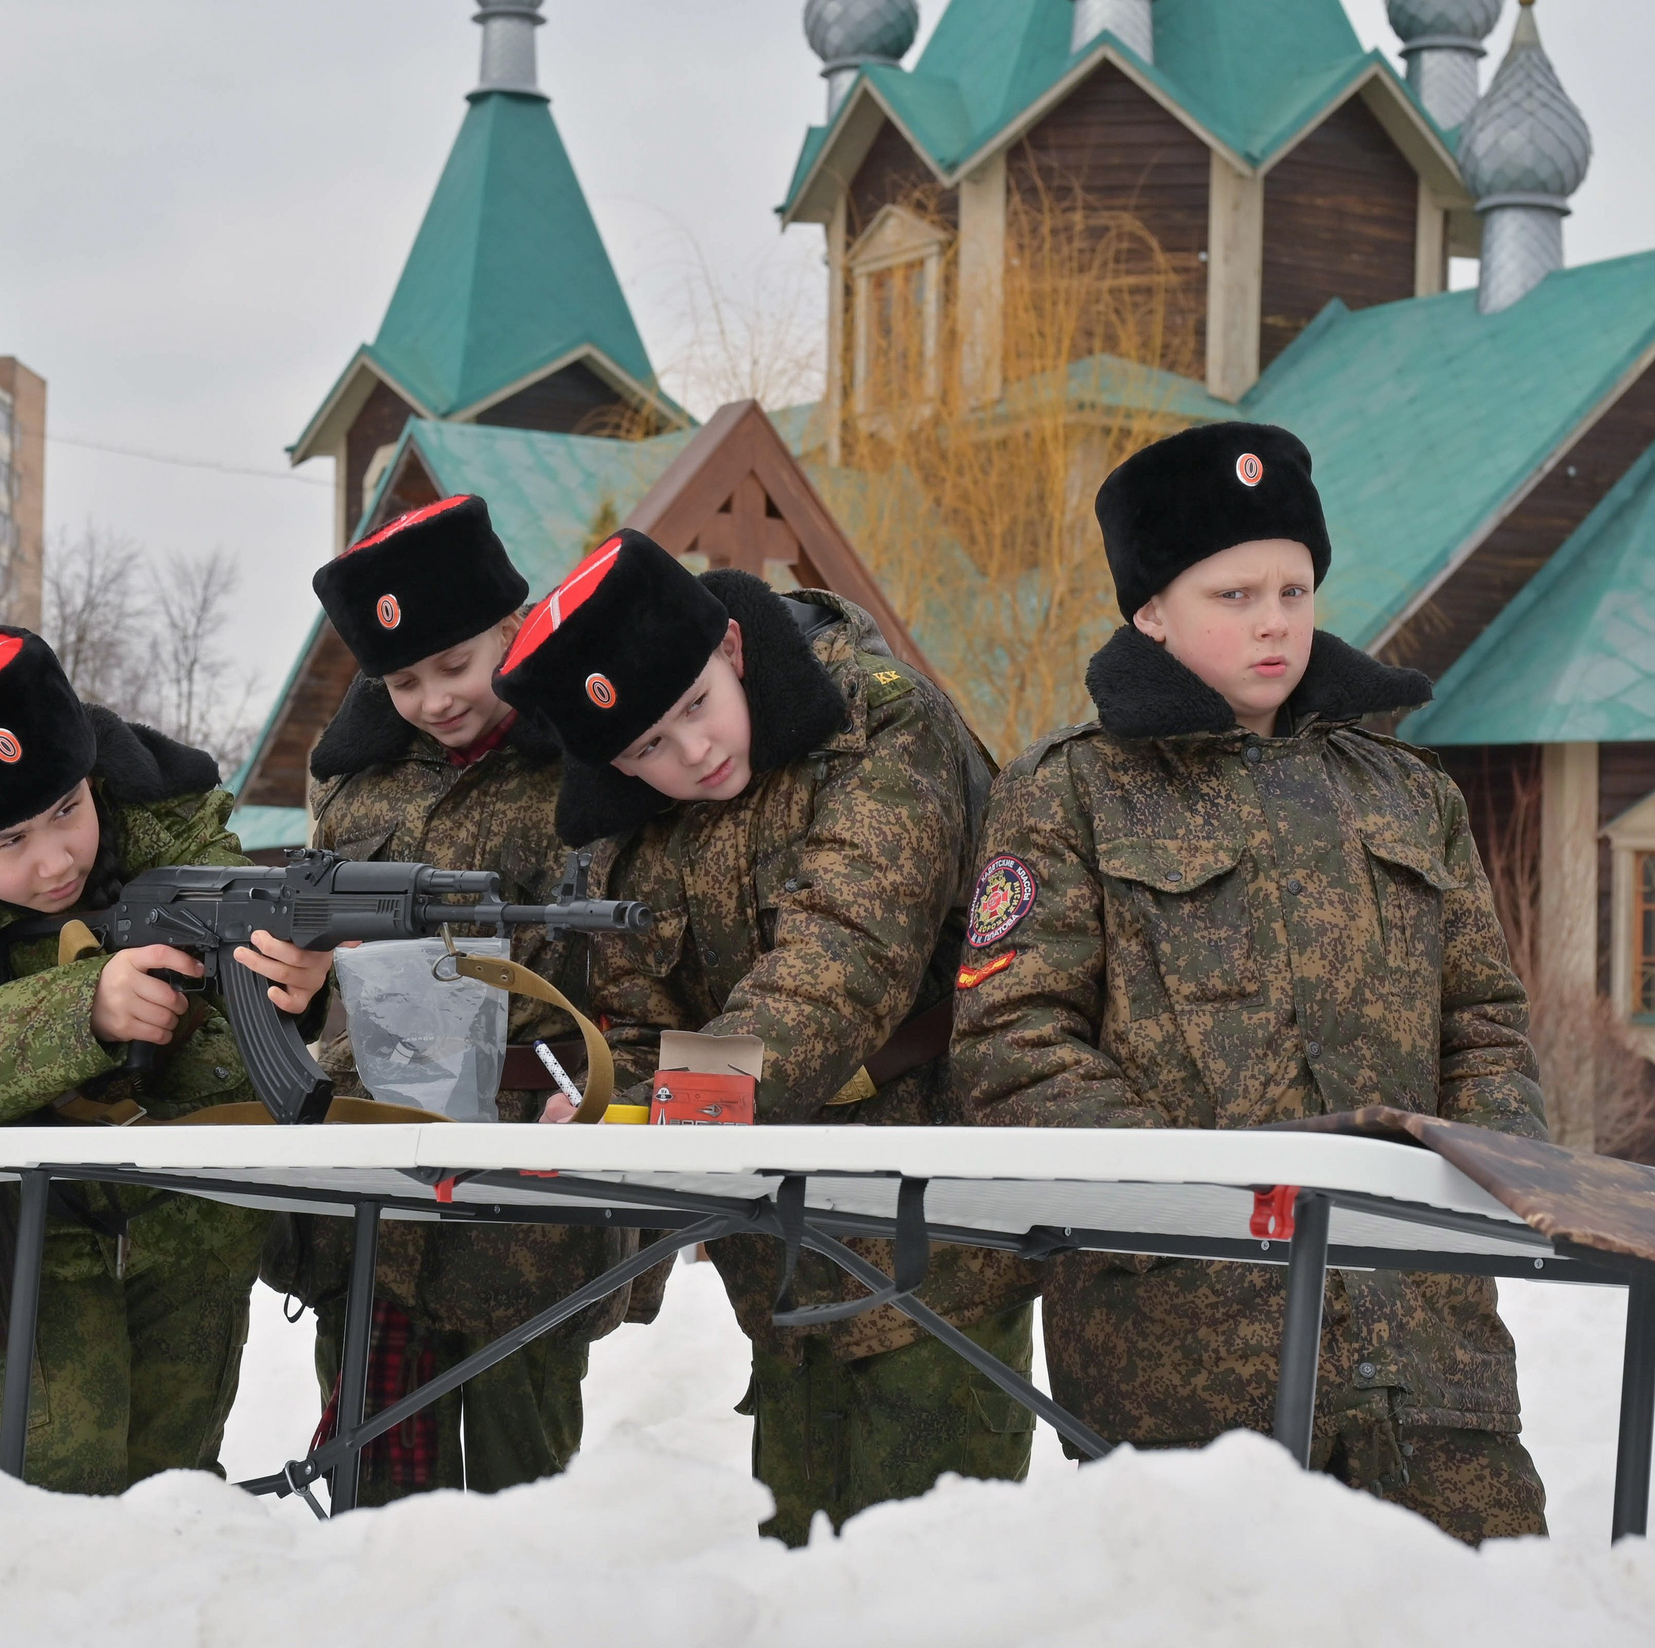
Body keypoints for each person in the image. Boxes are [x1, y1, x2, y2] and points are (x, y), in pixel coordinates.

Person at [951, 421, 1550, 1544]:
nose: (1272, 618)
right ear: (1150, 611)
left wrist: (1478, 1194)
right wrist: (1216, 1197)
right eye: (1231, 593)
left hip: (1427, 1366)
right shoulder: (1068, 795)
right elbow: (1012, 1048)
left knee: (1496, 1614)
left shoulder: (1407, 793)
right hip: (1183, 1371)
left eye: (1292, 586)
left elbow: (1486, 1026)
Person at [494, 529, 1036, 1544]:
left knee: (934, 1582)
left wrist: (658, 1107)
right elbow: (644, 1022)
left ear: (733, 646)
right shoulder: (623, 834)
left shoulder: (877, 722)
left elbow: (838, 968)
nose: (692, 753)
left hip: (938, 1238)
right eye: (648, 744)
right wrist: (606, 1096)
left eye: (695, 704)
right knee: (799, 1566)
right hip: (780, 1255)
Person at [0, 627, 334, 1494]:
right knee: (66, 1464)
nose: (56, 857)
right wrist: (83, 1008)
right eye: (10, 841)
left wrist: (300, 975)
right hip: (28, 1220)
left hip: (193, 1203)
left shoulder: (165, 815)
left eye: (68, 809)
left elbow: (257, 958)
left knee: (174, 1474)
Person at [282, 493, 635, 1504]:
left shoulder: (590, 757)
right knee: (372, 1478)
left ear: (511, 632)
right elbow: (312, 956)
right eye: (402, 680)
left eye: (455, 664)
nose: (435, 698)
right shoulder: (354, 784)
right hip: (378, 1151)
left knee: (523, 1487)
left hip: (527, 1158)